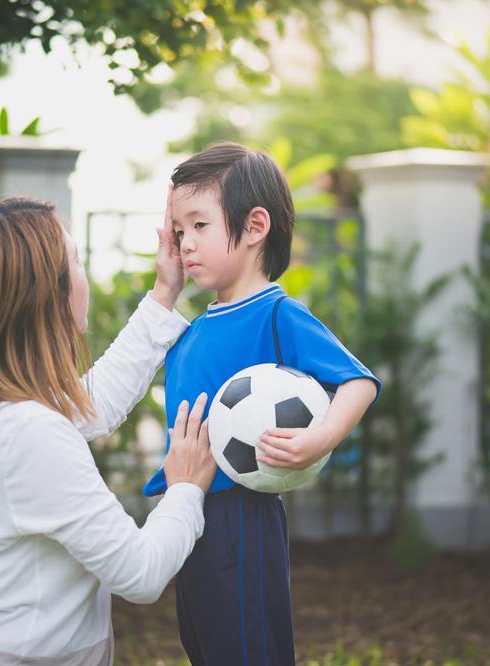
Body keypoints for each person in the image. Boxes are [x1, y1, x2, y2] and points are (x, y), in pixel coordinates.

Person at [0, 196, 217, 665]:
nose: (83, 274)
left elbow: (91, 403)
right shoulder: (29, 433)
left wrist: (165, 292)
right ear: (47, 296)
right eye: (76, 261)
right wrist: (184, 489)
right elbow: (140, 573)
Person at [142, 143, 382, 665]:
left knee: (248, 652)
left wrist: (319, 438)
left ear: (255, 226)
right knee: (204, 647)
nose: (185, 243)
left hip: (241, 517)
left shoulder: (278, 315)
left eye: (199, 226)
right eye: (178, 231)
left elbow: (358, 382)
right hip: (189, 516)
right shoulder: (191, 330)